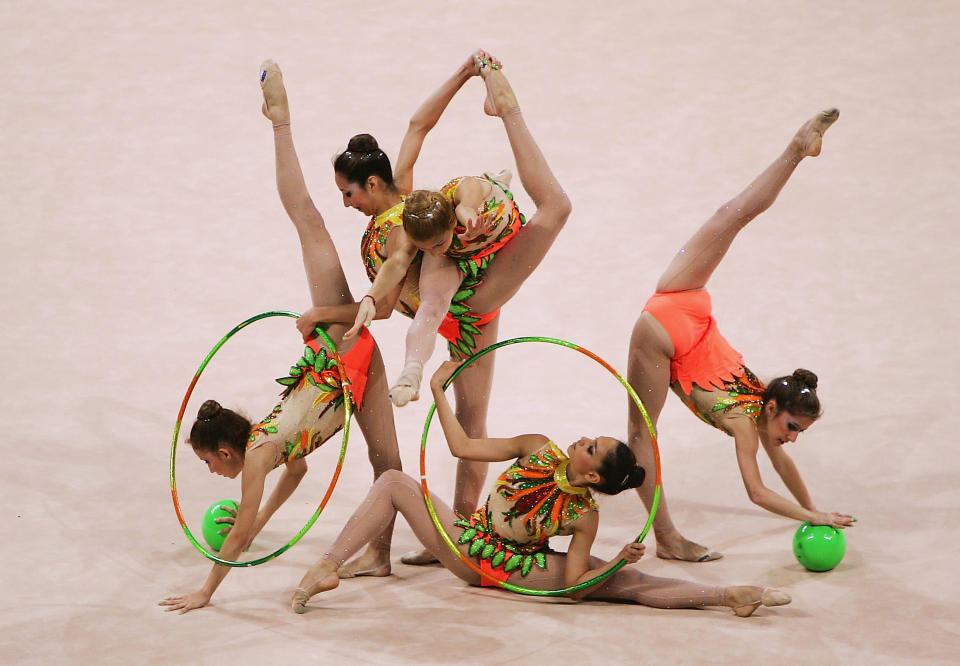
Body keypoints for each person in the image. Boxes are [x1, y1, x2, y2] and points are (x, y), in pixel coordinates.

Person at [296, 55, 572, 567]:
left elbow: (381, 299)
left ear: (372, 185)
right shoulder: (402, 189)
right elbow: (418, 124)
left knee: (473, 421)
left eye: (347, 192)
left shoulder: (404, 228)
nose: (344, 202)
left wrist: (325, 311)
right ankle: (462, 531)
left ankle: (466, 532)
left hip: (470, 305)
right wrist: (463, 73)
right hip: (448, 306)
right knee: (469, 418)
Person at [160, 60, 403, 614]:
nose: (212, 472)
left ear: (225, 451)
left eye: (207, 464)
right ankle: (382, 555)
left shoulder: (253, 460)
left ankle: (280, 122)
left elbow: (239, 538)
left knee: (308, 221)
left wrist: (205, 591)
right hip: (346, 368)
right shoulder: (268, 449)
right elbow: (296, 469)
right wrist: (267, 513)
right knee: (385, 460)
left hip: (342, 350)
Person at [290, 361, 792, 617]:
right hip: (467, 542)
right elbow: (463, 446)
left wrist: (616, 561)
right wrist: (441, 392)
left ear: (593, 476)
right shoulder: (537, 447)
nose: (581, 440)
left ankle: (730, 596)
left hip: (512, 567)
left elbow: (574, 586)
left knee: (624, 585)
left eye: (590, 447)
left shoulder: (584, 515)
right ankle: (327, 567)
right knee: (395, 482)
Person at [625, 108, 855, 563]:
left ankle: (796, 150)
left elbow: (782, 463)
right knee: (639, 434)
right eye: (792, 427)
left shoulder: (765, 409)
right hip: (674, 318)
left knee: (729, 215)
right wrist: (810, 518)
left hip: (675, 318)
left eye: (797, 433)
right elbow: (757, 492)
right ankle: (668, 539)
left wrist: (813, 509)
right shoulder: (746, 425)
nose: (790, 439)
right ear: (774, 408)